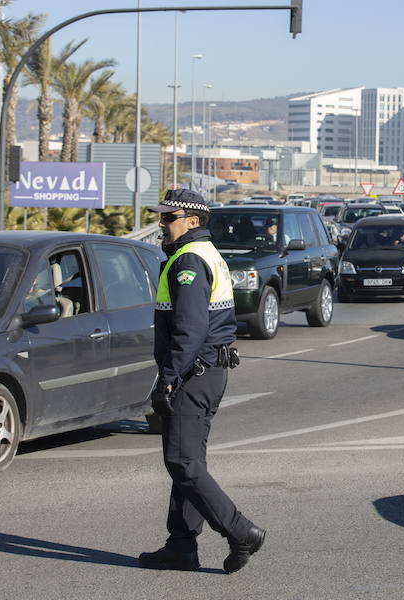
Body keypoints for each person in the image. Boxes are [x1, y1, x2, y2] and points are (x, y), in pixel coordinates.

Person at [138, 188, 265, 574]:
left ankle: (240, 530)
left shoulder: (189, 260)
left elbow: (190, 330)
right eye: (161, 218)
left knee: (182, 461)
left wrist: (168, 379)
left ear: (191, 221)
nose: (162, 224)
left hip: (194, 373)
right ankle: (181, 546)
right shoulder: (202, 254)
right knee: (188, 462)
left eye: (168, 218)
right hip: (208, 371)